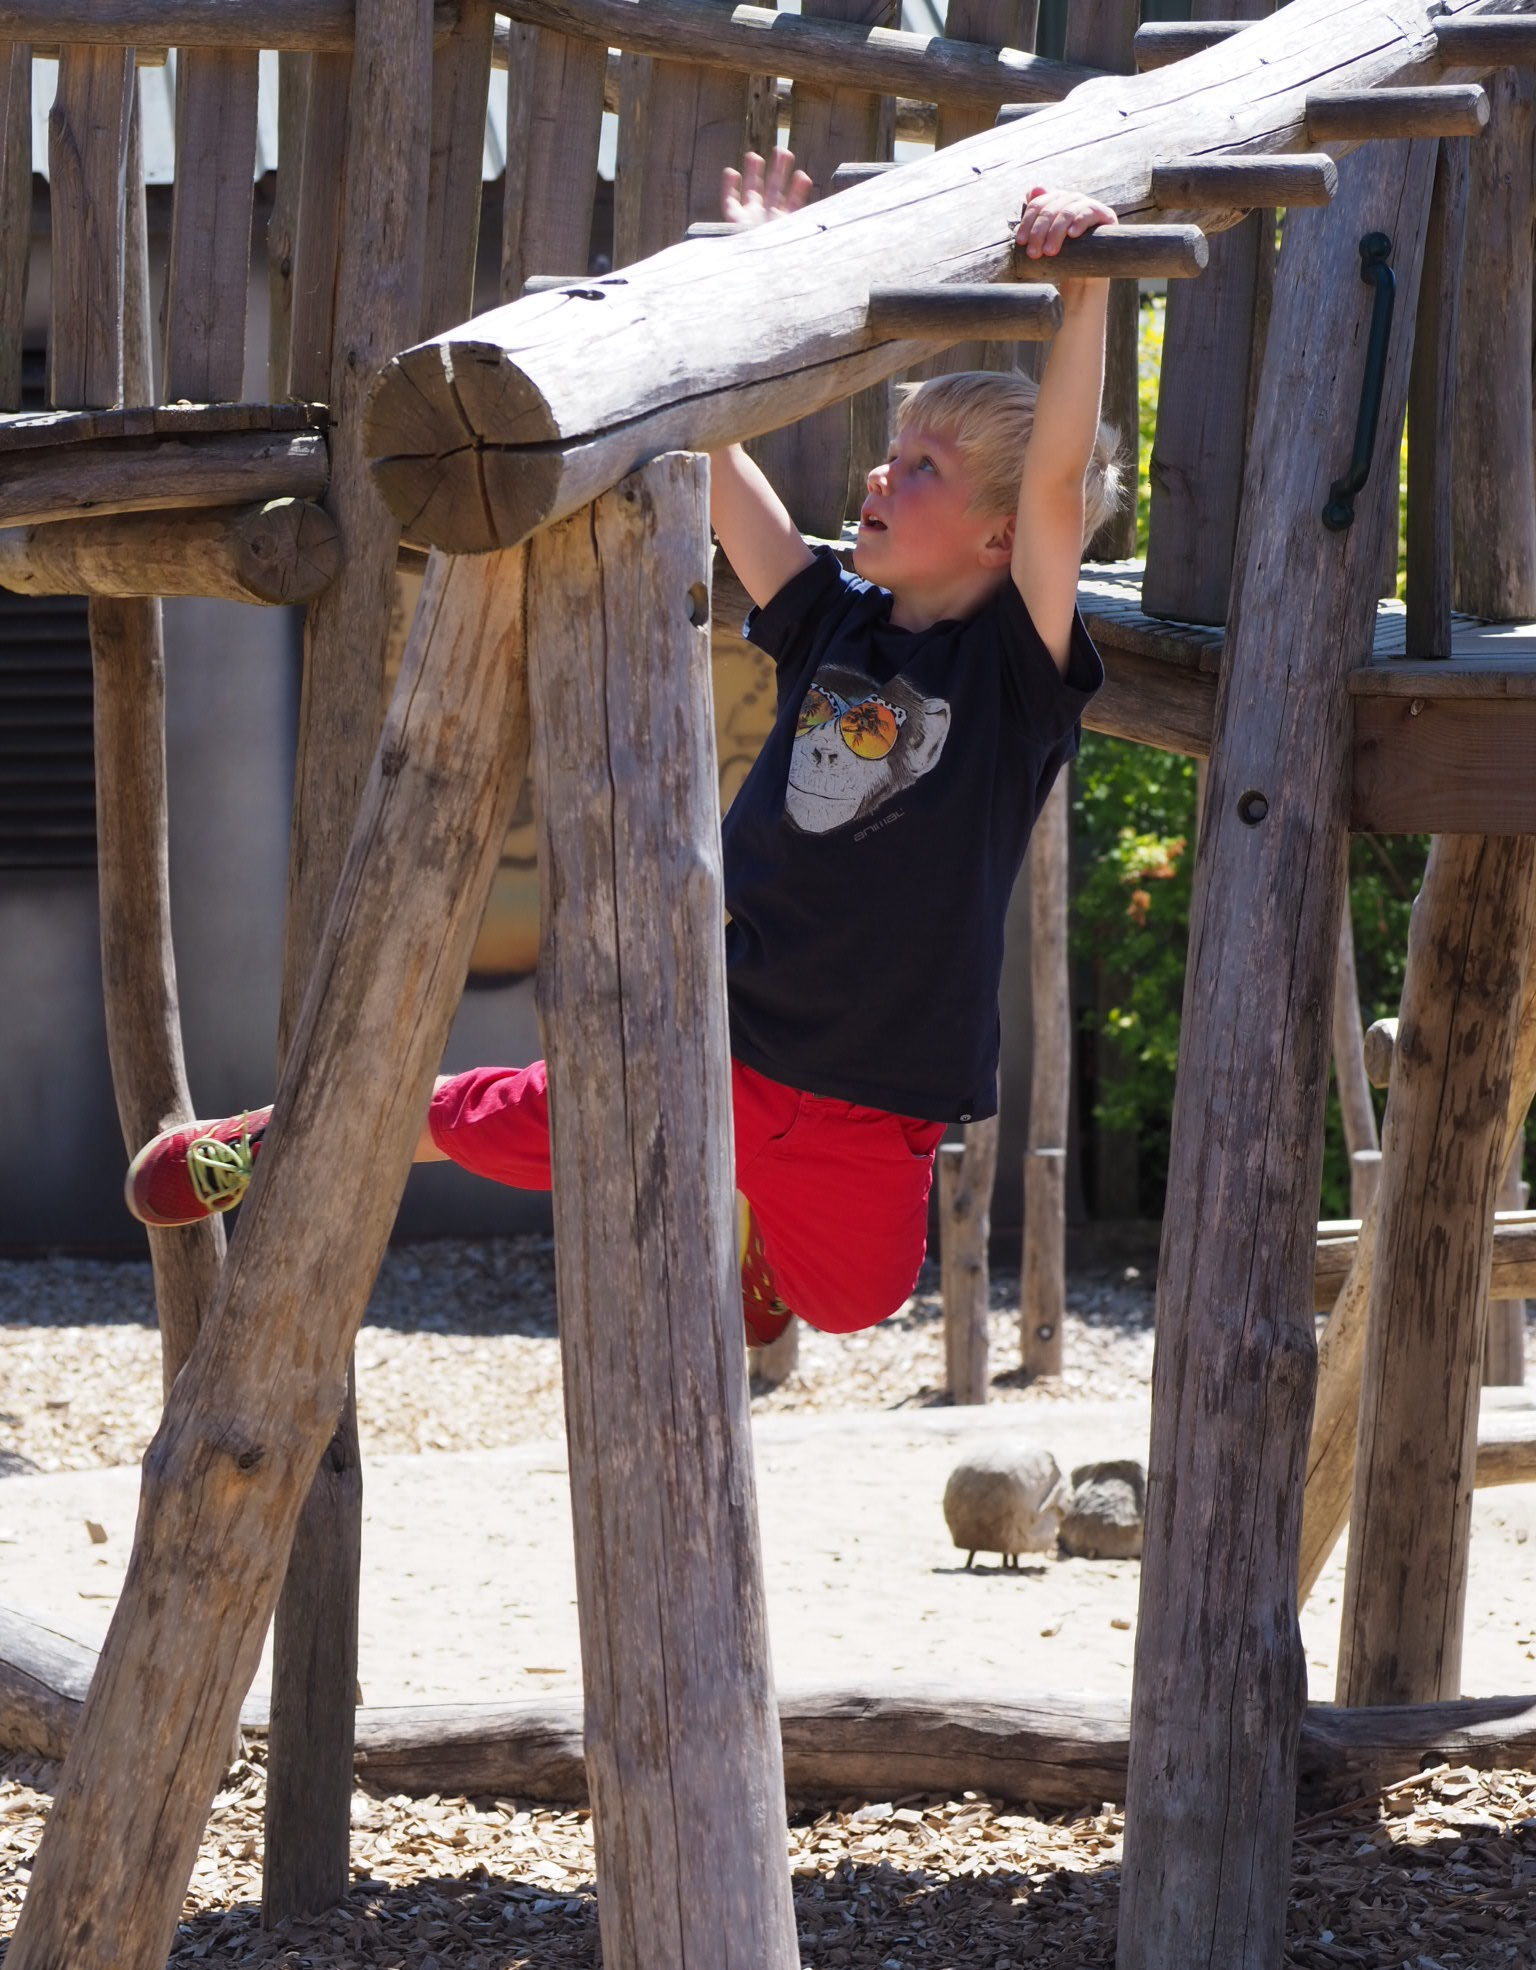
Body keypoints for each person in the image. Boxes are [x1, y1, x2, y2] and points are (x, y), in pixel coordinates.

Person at [125, 152, 1122, 1351]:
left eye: (923, 469)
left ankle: (759, 1234)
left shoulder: (1013, 675)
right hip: (714, 1031)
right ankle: (264, 1139)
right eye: (890, 449)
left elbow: (1062, 479)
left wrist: (1088, 290)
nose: (878, 472)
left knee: (852, 1302)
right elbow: (714, 446)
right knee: (492, 1121)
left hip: (880, 1097)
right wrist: (755, 267)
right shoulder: (828, 621)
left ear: (1000, 535)